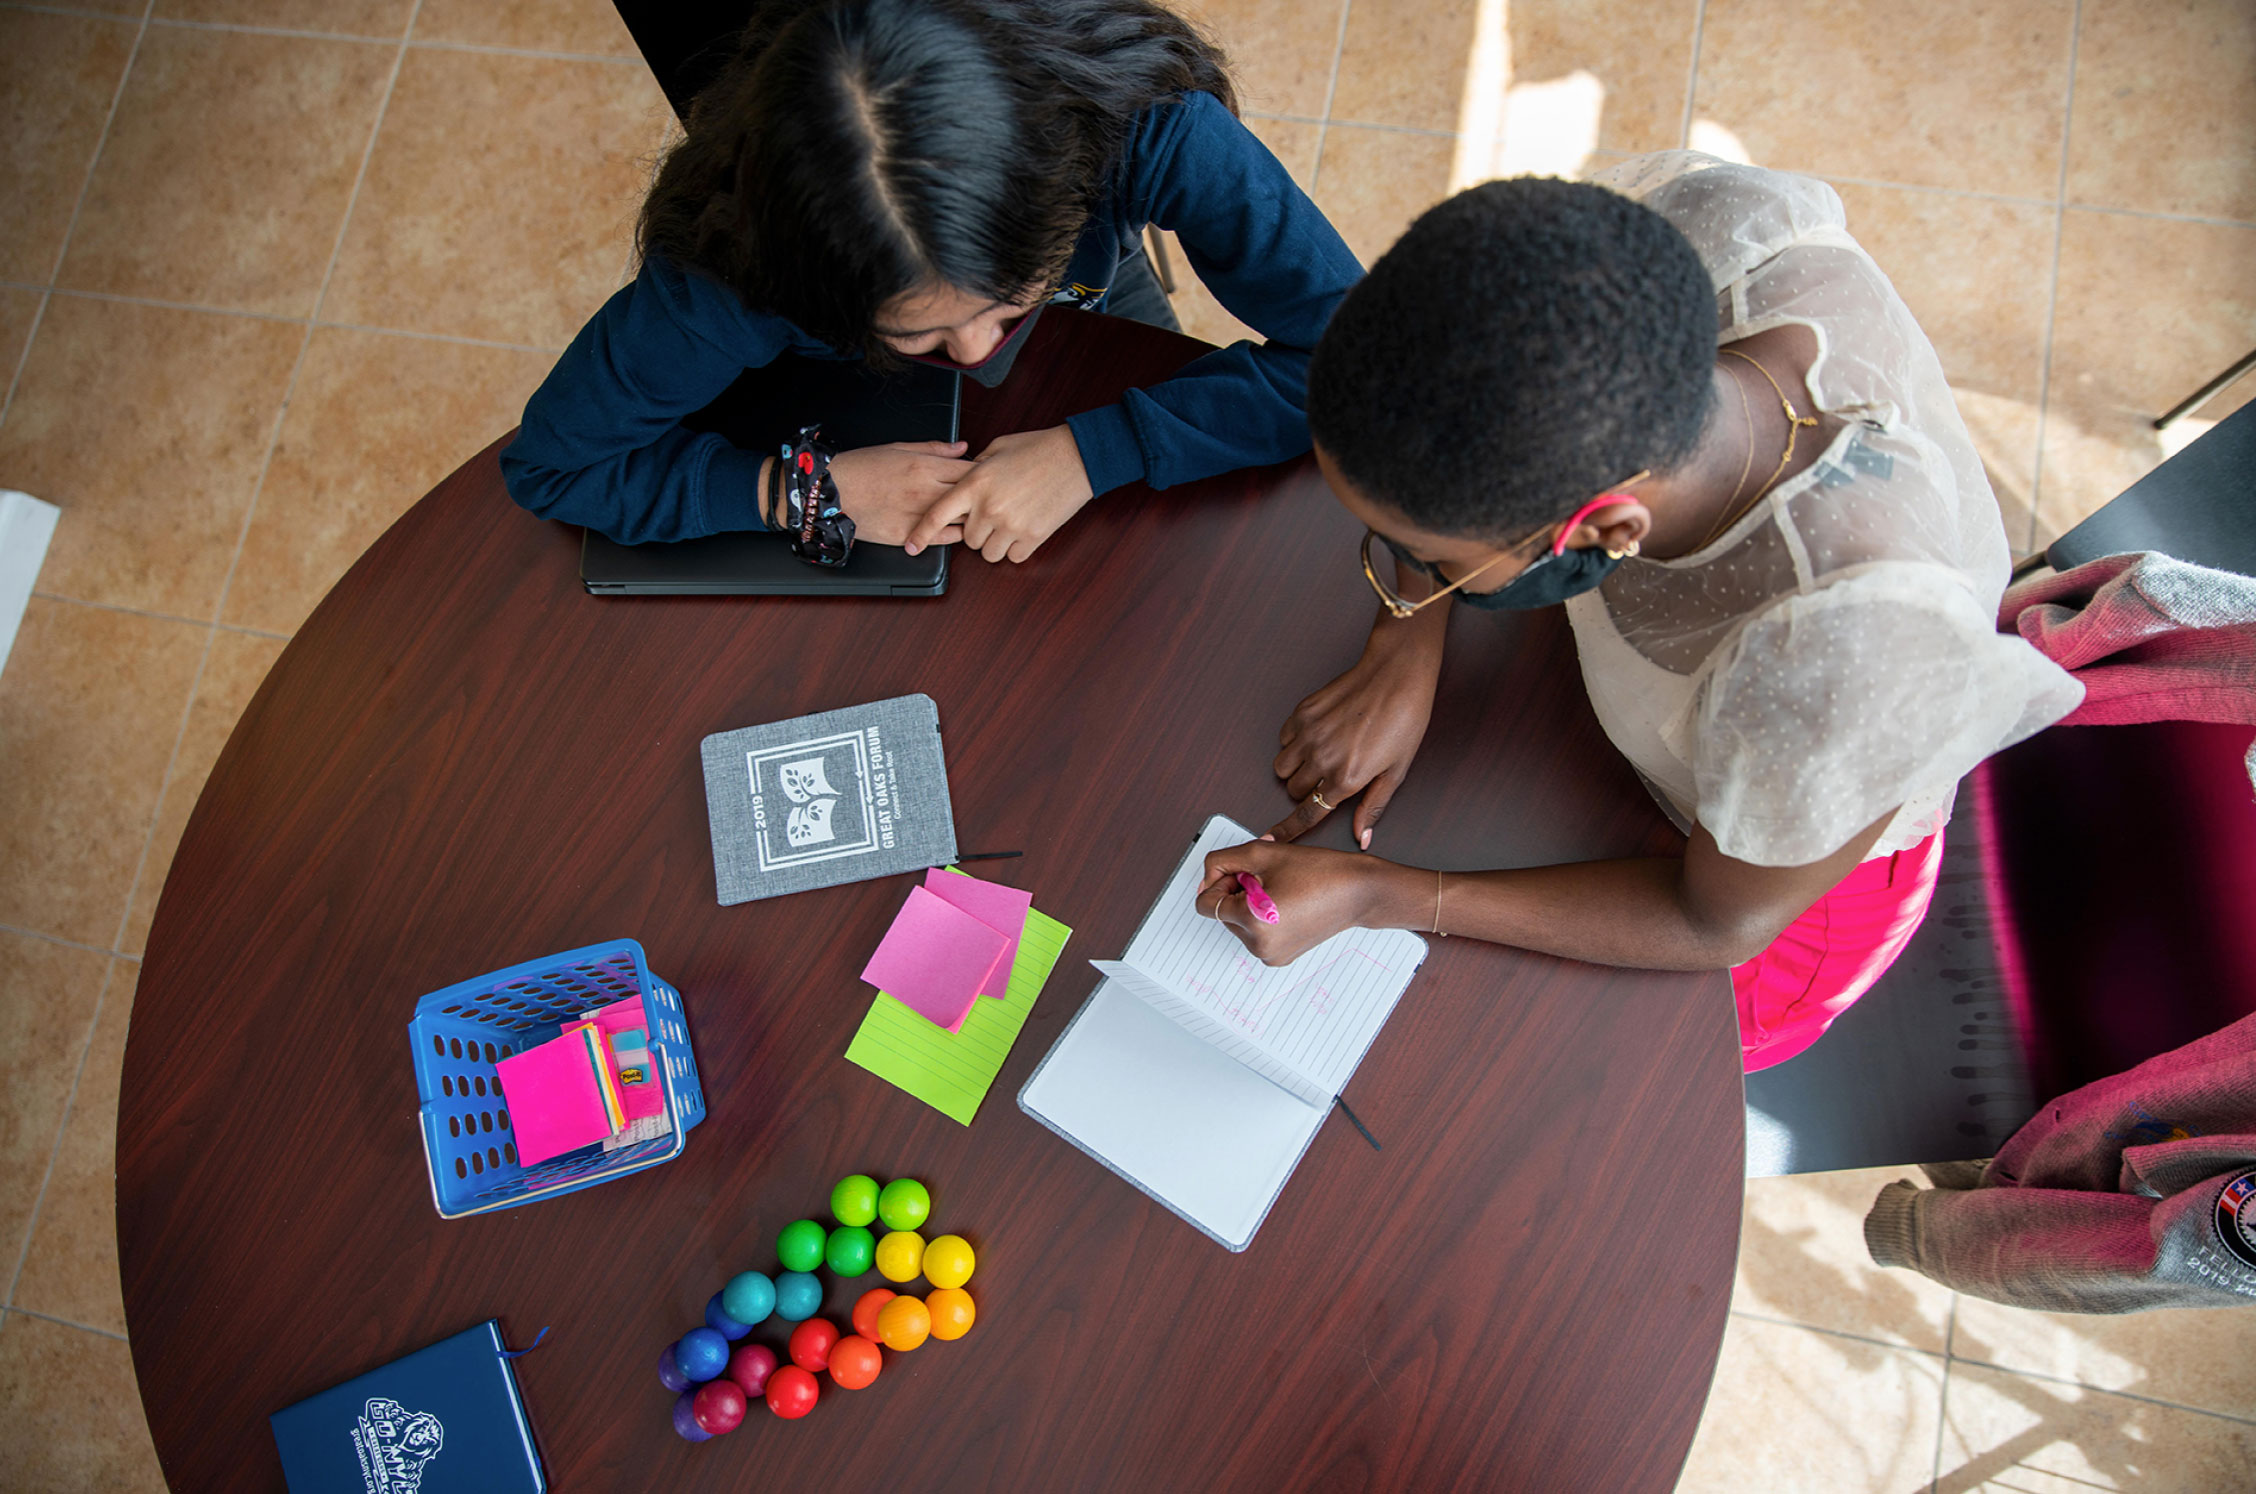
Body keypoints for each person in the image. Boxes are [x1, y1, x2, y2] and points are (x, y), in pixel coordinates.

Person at [1194, 153, 2082, 1072]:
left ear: (1608, 526)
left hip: (1759, 870)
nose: (1406, 576)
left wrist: (1386, 896)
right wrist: (1406, 638)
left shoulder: (1850, 655)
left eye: (1435, 562)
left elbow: (1714, 920)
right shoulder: (1669, 243)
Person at [500, 0, 1361, 562]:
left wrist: (1097, 451)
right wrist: (803, 488)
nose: (984, 356)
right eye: (921, 333)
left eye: (1003, 302)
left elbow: (1359, 365)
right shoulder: (735, 275)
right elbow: (552, 467)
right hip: (841, 396)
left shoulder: (1148, 127)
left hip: (1089, 305)